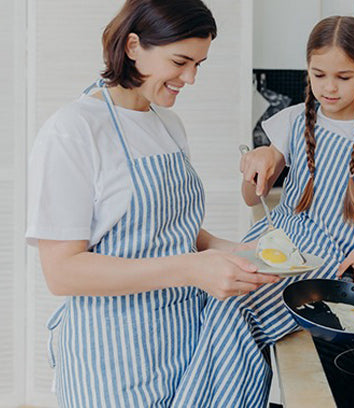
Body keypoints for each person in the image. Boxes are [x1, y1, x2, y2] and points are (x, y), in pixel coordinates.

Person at [25, 1, 279, 406]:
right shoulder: (74, 131)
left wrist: (245, 254)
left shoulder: (168, 124)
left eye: (199, 64)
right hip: (113, 363)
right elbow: (63, 272)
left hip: (183, 344)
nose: (191, 78)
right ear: (131, 46)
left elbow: (172, 230)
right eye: (180, 61)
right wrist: (192, 269)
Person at [177, 16, 354, 407]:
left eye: (343, 77)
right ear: (307, 68)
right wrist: (253, 167)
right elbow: (250, 199)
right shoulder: (290, 121)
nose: (328, 87)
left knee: (233, 311)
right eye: (318, 74)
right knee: (215, 299)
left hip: (324, 264)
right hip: (273, 247)